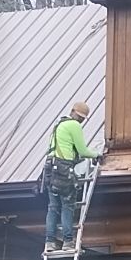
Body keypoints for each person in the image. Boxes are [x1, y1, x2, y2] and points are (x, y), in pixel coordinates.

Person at [41, 102, 96, 251]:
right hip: (64, 171)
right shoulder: (74, 126)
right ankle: (67, 241)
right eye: (81, 118)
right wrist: (96, 154)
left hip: (50, 170)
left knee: (53, 207)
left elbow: (65, 150)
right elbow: (82, 150)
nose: (81, 121)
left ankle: (50, 241)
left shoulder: (59, 124)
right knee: (67, 206)